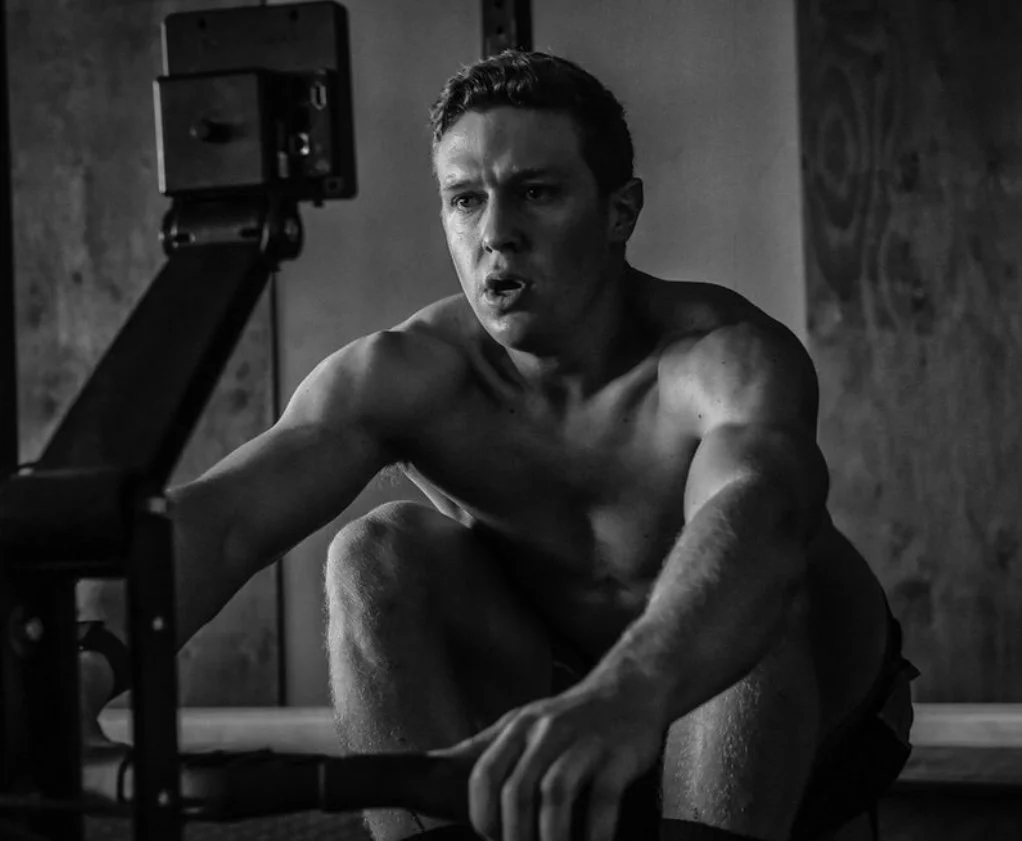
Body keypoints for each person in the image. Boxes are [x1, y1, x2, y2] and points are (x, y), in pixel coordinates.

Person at [79, 50, 917, 841]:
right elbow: (224, 522)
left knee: (744, 589)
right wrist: (74, 666)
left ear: (619, 211)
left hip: (808, 733)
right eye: (465, 199)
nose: (497, 233)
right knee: (374, 550)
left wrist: (627, 693)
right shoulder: (412, 373)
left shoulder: (720, 358)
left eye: (537, 193)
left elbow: (763, 520)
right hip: (560, 733)